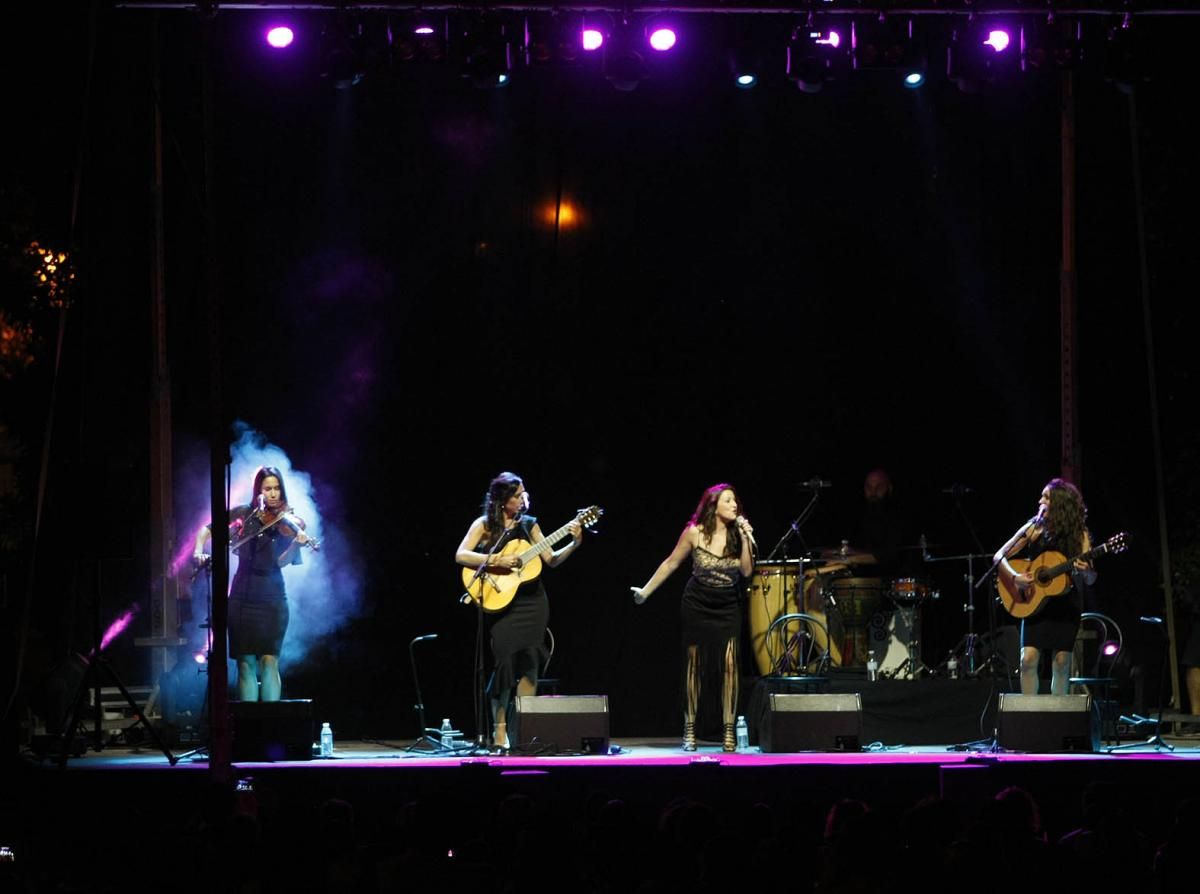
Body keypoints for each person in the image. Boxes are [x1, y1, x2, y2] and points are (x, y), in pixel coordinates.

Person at [455, 472, 583, 751]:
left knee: (530, 665)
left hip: (533, 603)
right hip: (502, 604)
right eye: (516, 495)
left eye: (524, 492)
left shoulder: (530, 526)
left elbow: (551, 559)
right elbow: (461, 555)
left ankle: (525, 728)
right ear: (502, 500)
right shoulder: (485, 525)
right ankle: (499, 732)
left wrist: (574, 544)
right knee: (504, 664)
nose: (523, 498)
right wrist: (496, 559)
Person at [631, 483, 754, 752]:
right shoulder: (694, 533)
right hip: (697, 604)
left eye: (735, 501)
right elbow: (671, 563)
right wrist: (645, 592)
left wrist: (746, 538)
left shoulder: (738, 535)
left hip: (727, 605)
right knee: (694, 667)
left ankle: (729, 731)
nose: (735, 505)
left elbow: (746, 572)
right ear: (713, 505)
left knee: (731, 666)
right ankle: (689, 730)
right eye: (728, 500)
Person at [193, 466, 314, 701]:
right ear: (258, 490)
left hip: (273, 598)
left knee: (269, 660)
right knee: (245, 663)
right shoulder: (245, 514)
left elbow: (281, 562)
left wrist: (296, 545)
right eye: (268, 488)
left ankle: (269, 724)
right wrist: (198, 550)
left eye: (277, 489)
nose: (273, 494)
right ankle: (249, 727)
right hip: (241, 596)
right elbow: (206, 530)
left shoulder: (286, 521)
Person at [993, 478, 1095, 695]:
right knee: (1027, 659)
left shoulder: (1080, 533)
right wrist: (1014, 578)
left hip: (1065, 605)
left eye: (1045, 497)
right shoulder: (1034, 527)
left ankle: (1057, 716)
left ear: (1059, 503)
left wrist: (1086, 571)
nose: (1040, 501)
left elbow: (1090, 579)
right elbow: (999, 556)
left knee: (1061, 662)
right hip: (1034, 601)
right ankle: (1029, 717)